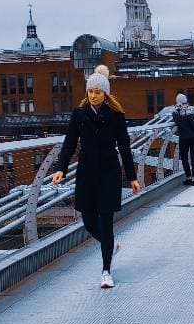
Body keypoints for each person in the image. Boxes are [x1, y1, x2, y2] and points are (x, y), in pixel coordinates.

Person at [51, 65, 139, 288]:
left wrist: (132, 177)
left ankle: (106, 271)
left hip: (109, 172)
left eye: (97, 92)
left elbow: (125, 148)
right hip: (86, 173)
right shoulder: (78, 115)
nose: (93, 95)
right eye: (90, 91)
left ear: (105, 93)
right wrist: (61, 168)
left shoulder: (116, 116)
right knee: (89, 221)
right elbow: (69, 143)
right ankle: (111, 245)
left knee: (106, 222)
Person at [173, 92, 194, 185]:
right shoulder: (190, 111)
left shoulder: (175, 112)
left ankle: (188, 177)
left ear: (177, 102)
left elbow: (178, 123)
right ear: (186, 101)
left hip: (183, 138)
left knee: (184, 158)